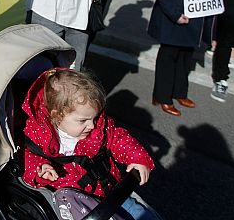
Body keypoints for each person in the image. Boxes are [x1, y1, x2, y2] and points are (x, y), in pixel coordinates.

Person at [22, 69, 157, 219]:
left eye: (94, 117)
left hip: (110, 192)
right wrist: (40, 169)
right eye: (83, 121)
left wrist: (138, 158)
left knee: (144, 215)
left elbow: (120, 139)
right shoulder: (39, 136)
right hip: (77, 206)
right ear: (56, 115)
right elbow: (28, 156)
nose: (92, 125)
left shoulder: (98, 127)